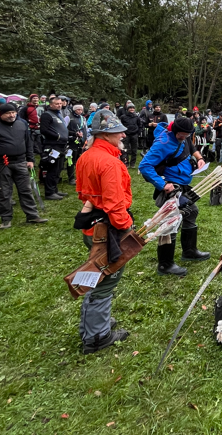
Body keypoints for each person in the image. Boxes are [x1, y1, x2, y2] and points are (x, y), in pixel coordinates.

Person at [73, 111, 132, 354]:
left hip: (93, 226)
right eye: (118, 131)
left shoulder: (86, 157)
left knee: (99, 275)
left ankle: (94, 325)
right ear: (105, 134)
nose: (123, 134)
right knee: (106, 279)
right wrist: (127, 228)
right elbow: (114, 204)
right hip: (108, 229)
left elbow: (83, 193)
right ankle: (97, 336)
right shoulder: (109, 163)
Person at [139, 117, 210, 276]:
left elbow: (190, 146)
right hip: (171, 187)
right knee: (169, 222)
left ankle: (189, 252)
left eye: (186, 135)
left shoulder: (184, 137)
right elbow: (144, 166)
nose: (183, 138)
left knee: (191, 211)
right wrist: (163, 185)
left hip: (182, 184)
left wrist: (199, 158)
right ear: (174, 130)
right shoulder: (162, 143)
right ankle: (165, 265)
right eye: (181, 135)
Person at [0, 103, 48, 229]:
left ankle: (32, 215)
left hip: (20, 162)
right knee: (4, 192)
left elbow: (28, 142)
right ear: (1, 114)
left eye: (13, 112)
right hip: (1, 163)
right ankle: (6, 219)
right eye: (8, 113)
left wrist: (30, 159)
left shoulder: (22, 124)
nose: (12, 115)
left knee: (26, 190)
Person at [39, 95, 69, 200]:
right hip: (53, 145)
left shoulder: (58, 114)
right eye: (57, 104)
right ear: (51, 104)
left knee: (58, 168)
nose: (59, 105)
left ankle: (54, 189)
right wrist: (58, 136)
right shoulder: (47, 115)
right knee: (52, 168)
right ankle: (49, 192)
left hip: (61, 145)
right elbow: (44, 129)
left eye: (60, 103)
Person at [66, 104, 88, 185]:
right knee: (71, 160)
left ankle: (80, 176)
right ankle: (71, 177)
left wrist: (86, 139)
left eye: (81, 110)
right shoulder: (68, 117)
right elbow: (64, 129)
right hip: (72, 141)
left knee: (81, 160)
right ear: (74, 110)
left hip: (82, 142)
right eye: (78, 109)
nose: (80, 111)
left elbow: (85, 129)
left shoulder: (83, 118)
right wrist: (74, 133)